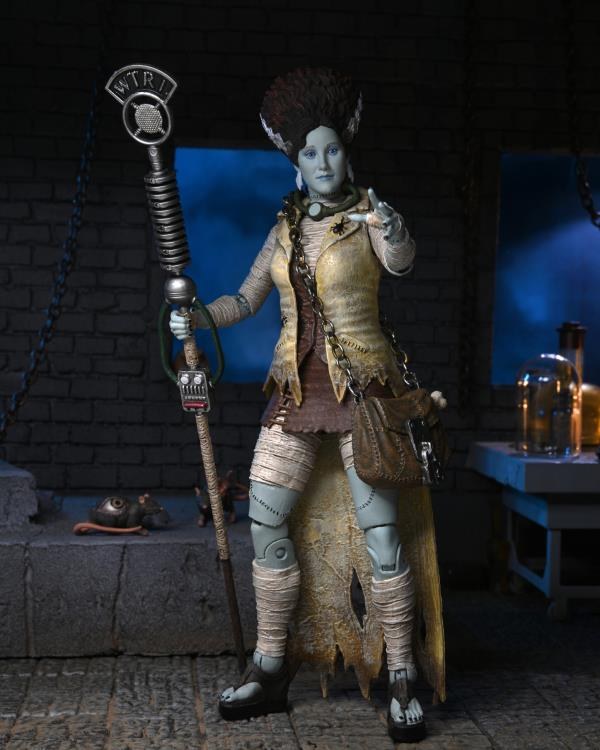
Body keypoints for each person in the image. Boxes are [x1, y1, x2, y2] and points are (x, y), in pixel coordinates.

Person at [170, 67, 437, 743]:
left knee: (382, 535)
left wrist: (393, 227)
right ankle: (271, 665)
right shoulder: (285, 228)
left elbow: (401, 261)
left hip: (365, 392)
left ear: (347, 152)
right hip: (295, 391)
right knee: (264, 519)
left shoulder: (370, 215)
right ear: (295, 160)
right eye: (310, 152)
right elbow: (246, 299)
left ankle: (401, 674)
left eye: (332, 149)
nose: (322, 162)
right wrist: (197, 318)